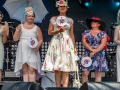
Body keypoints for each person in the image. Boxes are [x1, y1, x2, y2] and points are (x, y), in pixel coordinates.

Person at [41, 0, 77, 87]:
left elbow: (71, 34)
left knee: (66, 67)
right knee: (57, 68)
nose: (62, 8)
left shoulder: (70, 20)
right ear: (58, 8)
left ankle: (65, 87)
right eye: (60, 6)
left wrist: (74, 47)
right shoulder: (54, 19)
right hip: (57, 42)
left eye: (64, 6)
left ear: (66, 8)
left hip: (67, 42)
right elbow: (49, 32)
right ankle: (57, 87)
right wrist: (58, 31)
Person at [13, 7, 44, 82]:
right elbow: (15, 39)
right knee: (25, 70)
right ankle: (25, 87)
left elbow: (40, 39)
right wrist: (17, 30)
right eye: (29, 16)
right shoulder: (20, 26)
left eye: (33, 16)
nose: (31, 17)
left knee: (32, 69)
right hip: (22, 49)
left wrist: (37, 46)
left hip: (32, 49)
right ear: (26, 17)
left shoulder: (36, 28)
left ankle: (32, 86)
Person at [81, 17, 108, 84]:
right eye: (92, 21)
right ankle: (85, 88)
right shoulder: (86, 32)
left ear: (99, 24)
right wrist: (91, 49)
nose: (93, 22)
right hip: (88, 53)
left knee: (98, 73)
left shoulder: (103, 33)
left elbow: (103, 44)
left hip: (99, 53)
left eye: (95, 21)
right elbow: (84, 42)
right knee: (85, 72)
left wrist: (94, 51)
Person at [0, 11, 9, 81]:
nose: (0, 18)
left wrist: (6, 32)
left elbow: (4, 41)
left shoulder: (3, 27)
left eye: (0, 16)